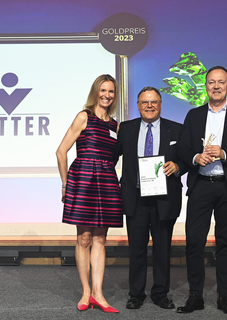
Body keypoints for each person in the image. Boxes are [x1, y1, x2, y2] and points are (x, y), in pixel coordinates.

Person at [177, 66, 227, 315]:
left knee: (225, 244)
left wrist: (224, 154)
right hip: (201, 186)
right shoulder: (194, 115)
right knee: (194, 243)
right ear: (206, 86)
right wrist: (195, 157)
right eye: (212, 82)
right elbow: (182, 149)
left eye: (221, 82)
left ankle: (224, 297)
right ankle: (195, 296)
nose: (216, 86)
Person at [113, 87, 186, 310]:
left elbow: (186, 159)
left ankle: (160, 293)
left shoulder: (176, 129)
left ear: (161, 104)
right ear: (137, 105)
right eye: (145, 102)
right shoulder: (125, 129)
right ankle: (136, 294)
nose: (149, 106)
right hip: (135, 196)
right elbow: (112, 157)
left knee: (163, 249)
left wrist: (178, 166)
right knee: (136, 248)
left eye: (154, 102)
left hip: (164, 198)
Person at [56, 74, 123, 313]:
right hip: (83, 179)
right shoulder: (84, 117)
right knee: (83, 238)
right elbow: (61, 151)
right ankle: (86, 293)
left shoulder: (115, 126)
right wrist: (66, 184)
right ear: (95, 92)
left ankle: (99, 294)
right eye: (103, 90)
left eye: (111, 92)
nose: (107, 95)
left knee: (101, 239)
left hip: (106, 180)